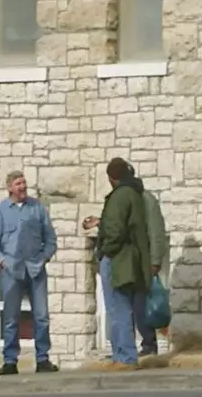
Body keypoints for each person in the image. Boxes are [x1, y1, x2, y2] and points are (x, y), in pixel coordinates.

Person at [0, 171, 60, 375]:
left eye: (24, 183)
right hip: (12, 270)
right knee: (11, 317)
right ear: (10, 187)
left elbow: (51, 239)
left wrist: (44, 257)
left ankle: (43, 359)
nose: (22, 187)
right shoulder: (1, 211)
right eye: (18, 184)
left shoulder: (37, 208)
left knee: (42, 316)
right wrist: (2, 261)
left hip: (36, 269)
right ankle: (10, 361)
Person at [81, 157, 152, 368]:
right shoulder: (135, 193)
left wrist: (104, 252)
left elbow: (116, 230)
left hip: (118, 259)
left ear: (112, 178)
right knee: (123, 308)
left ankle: (125, 357)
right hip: (131, 259)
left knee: (117, 308)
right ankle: (122, 355)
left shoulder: (120, 196)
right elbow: (125, 224)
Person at [130, 171, 170, 358]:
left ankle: (149, 344)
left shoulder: (146, 200)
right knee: (131, 306)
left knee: (142, 305)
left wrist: (155, 261)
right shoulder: (128, 199)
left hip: (144, 262)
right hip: (131, 262)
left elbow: (156, 231)